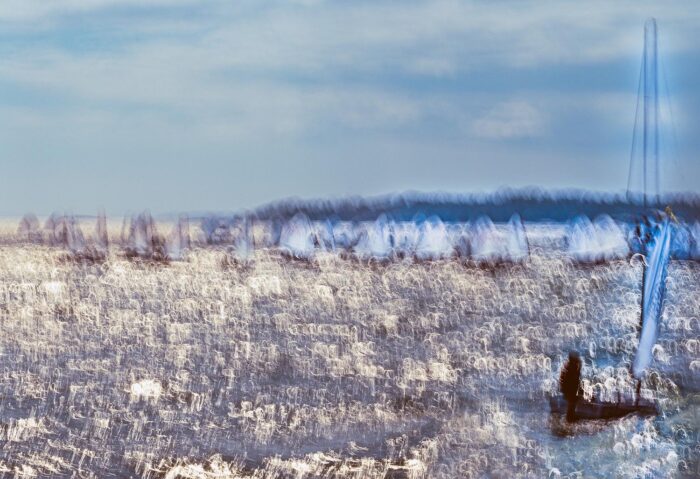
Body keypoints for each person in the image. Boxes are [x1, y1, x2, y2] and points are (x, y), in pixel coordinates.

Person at [560, 351, 582, 422]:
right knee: (572, 403)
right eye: (577, 358)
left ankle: (570, 416)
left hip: (569, 387)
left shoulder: (570, 365)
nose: (578, 358)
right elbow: (575, 377)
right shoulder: (571, 367)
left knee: (572, 403)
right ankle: (570, 418)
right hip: (569, 388)